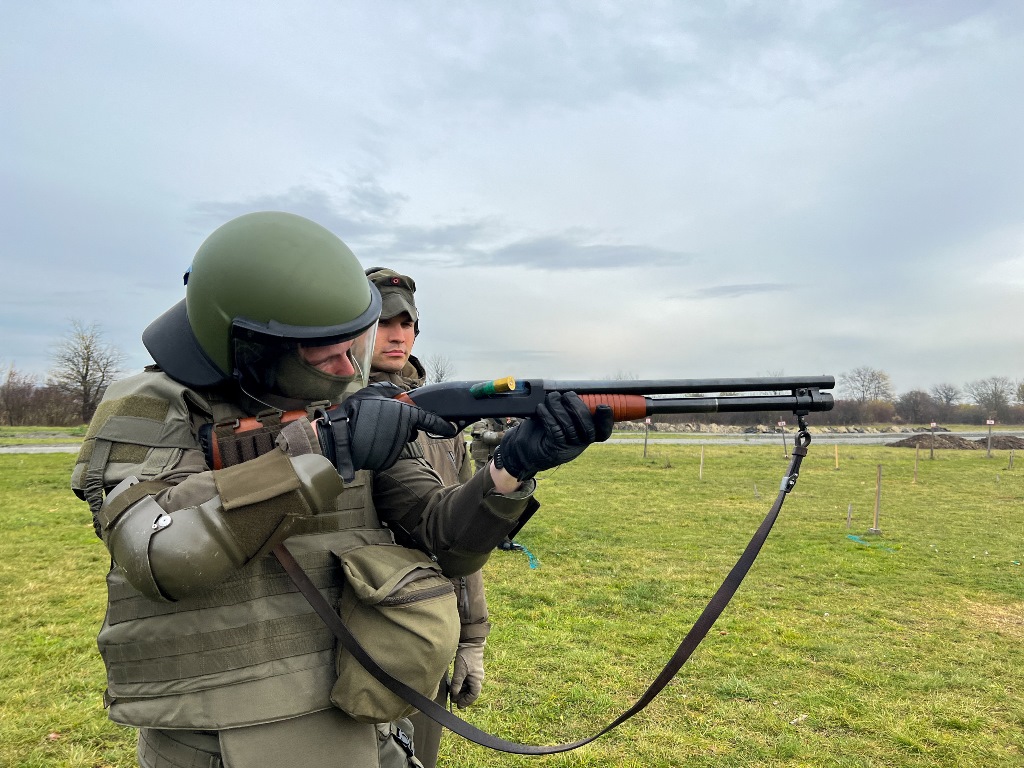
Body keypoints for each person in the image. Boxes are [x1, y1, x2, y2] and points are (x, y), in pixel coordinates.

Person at [71, 211, 613, 768]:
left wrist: (511, 469)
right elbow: (162, 554)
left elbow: (443, 539)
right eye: (321, 351)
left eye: (353, 342)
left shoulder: (346, 400)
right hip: (232, 728)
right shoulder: (149, 405)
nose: (348, 365)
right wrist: (321, 450)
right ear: (256, 346)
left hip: (362, 693)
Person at [365, 267, 488, 768]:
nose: (397, 335)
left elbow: (464, 541)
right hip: (353, 636)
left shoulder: (442, 423)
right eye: (382, 322)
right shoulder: (324, 412)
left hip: (426, 630)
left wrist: (471, 637)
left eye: (407, 324)